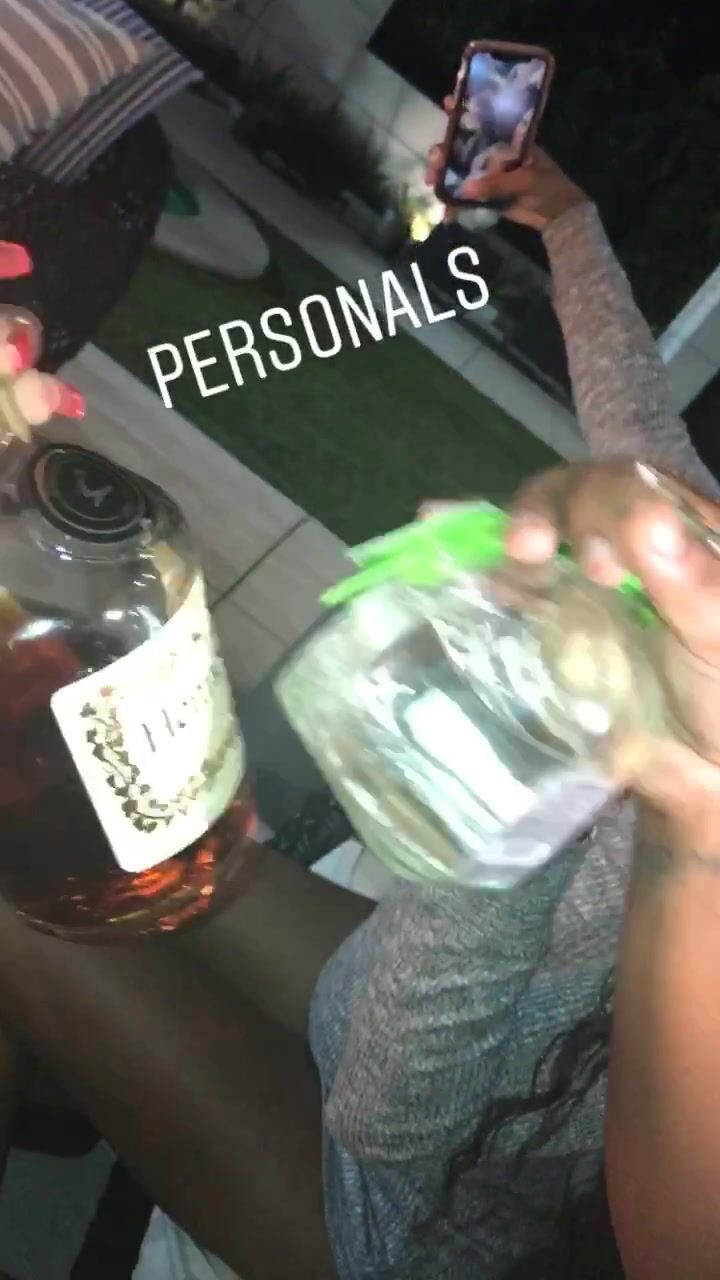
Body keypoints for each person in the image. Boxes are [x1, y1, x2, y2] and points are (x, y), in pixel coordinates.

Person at [0, 140, 718, 1280]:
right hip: (365, 985)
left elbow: (393, 1118)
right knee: (97, 782)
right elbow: (643, 429)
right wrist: (570, 218)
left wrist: (585, 758)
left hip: (405, 1212)